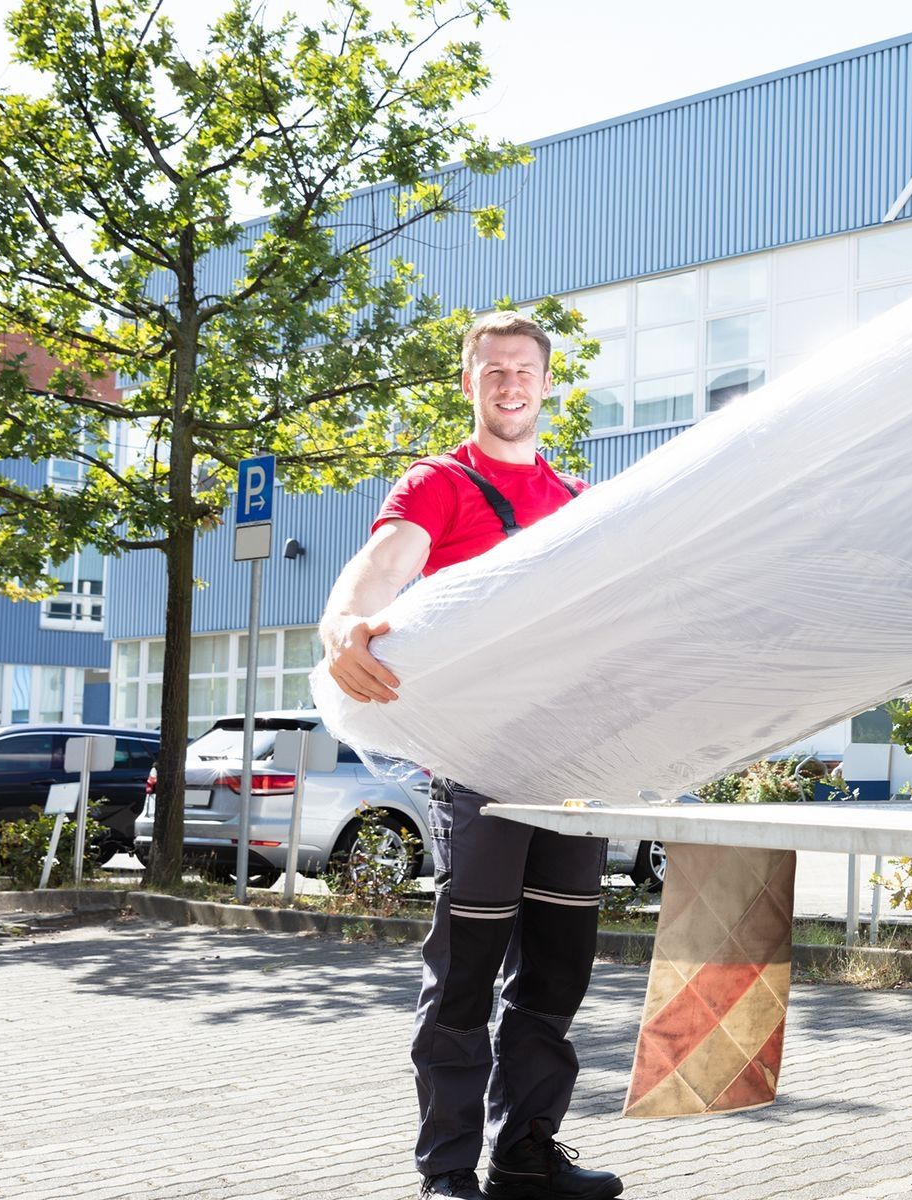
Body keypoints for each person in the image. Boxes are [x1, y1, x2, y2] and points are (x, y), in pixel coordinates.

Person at [320, 311, 624, 1200]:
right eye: (492, 370)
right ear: (469, 383)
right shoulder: (440, 485)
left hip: (573, 768)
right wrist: (346, 623)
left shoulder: (576, 502)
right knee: (468, 971)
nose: (508, 384)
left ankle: (525, 1153)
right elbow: (381, 567)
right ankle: (447, 1171)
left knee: (558, 969)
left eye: (523, 370)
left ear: (546, 383)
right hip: (481, 766)